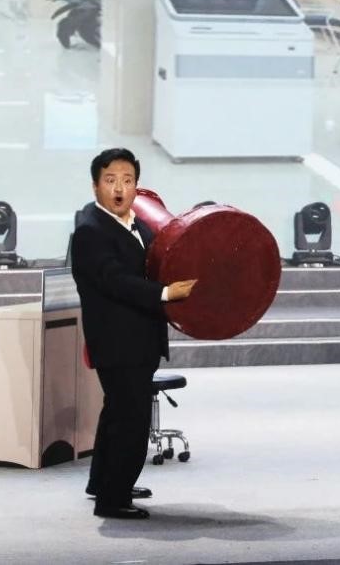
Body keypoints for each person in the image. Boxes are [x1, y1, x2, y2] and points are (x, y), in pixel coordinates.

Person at [71, 148, 197, 519]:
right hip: (118, 343)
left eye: (127, 180)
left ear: (137, 186)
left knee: (117, 413)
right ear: (95, 186)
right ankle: (113, 499)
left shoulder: (136, 225)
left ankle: (104, 484)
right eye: (110, 180)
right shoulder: (90, 231)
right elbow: (115, 280)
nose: (119, 189)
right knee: (131, 421)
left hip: (139, 340)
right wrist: (165, 293)